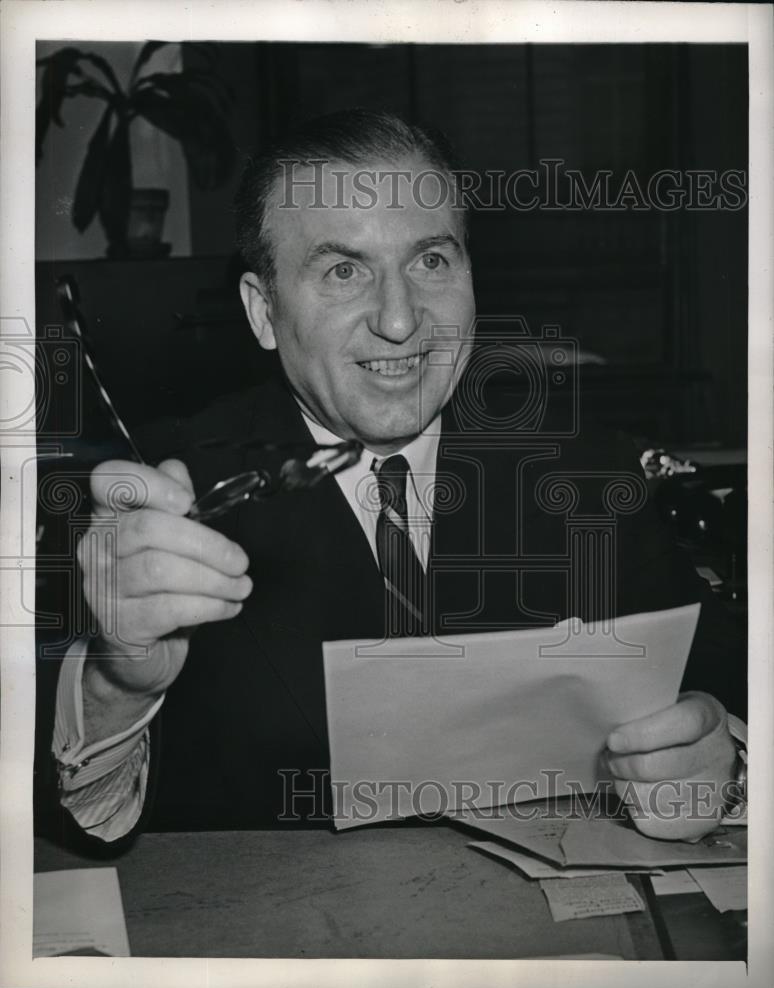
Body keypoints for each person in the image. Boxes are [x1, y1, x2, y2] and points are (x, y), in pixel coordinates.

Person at [37, 109, 745, 854]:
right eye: (344, 271)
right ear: (263, 310)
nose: (402, 320)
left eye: (431, 261)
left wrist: (718, 769)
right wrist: (119, 685)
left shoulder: (593, 474)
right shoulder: (156, 506)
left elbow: (729, 705)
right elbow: (76, 831)